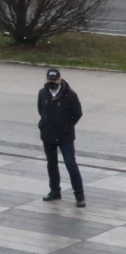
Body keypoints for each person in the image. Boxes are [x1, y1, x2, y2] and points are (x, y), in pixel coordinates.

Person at [39, 68, 85, 207]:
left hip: (65, 137)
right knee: (51, 164)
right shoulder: (42, 93)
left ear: (60, 79)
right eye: (50, 80)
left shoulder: (70, 95)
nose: (52, 83)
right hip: (48, 135)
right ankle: (55, 191)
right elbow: (41, 110)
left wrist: (66, 126)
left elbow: (77, 113)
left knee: (71, 164)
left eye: (54, 80)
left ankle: (79, 196)